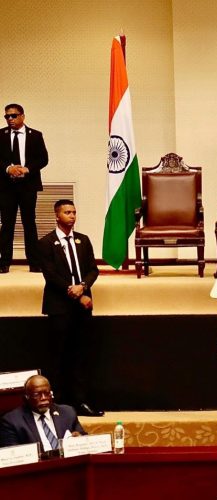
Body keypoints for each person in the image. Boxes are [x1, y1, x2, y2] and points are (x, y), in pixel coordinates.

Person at [38, 199, 103, 417]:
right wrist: (73, 291)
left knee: (80, 356)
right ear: (57, 216)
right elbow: (50, 275)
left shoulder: (83, 241)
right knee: (57, 356)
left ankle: (81, 402)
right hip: (59, 308)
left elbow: (93, 270)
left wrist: (83, 287)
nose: (72, 216)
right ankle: (54, 405)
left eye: (74, 212)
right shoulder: (46, 243)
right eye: (67, 212)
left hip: (82, 308)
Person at [0, 103, 49, 273]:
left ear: (22, 116)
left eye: (13, 116)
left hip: (28, 186)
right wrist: (8, 169)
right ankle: (4, 262)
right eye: (7, 116)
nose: (10, 119)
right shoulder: (0, 135)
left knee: (29, 223)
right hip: (5, 187)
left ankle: (34, 262)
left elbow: (43, 159)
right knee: (7, 224)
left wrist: (27, 169)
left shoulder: (35, 135)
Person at [0, 375, 86, 450]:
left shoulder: (67, 413)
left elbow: (84, 438)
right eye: (37, 395)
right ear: (27, 397)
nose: (44, 398)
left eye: (47, 393)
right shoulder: (11, 421)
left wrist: (80, 439)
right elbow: (13, 455)